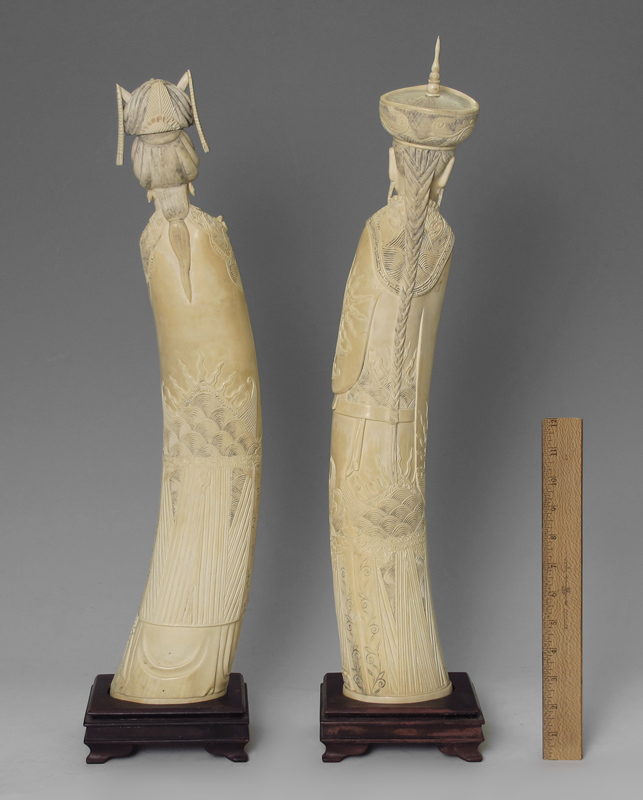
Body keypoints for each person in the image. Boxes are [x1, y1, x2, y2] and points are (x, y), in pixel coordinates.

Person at [329, 42, 478, 703]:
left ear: (394, 164)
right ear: (445, 174)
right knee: (390, 520)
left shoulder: (379, 228)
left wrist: (347, 387)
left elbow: (353, 334)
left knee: (364, 519)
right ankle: (402, 671)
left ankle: (380, 675)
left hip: (364, 410)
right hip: (404, 416)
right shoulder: (441, 239)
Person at [110, 74, 261, 704]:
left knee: (209, 501)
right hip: (208, 419)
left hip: (218, 419)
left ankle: (184, 666)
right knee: (201, 500)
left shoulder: (177, 237)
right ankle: (175, 668)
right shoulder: (181, 237)